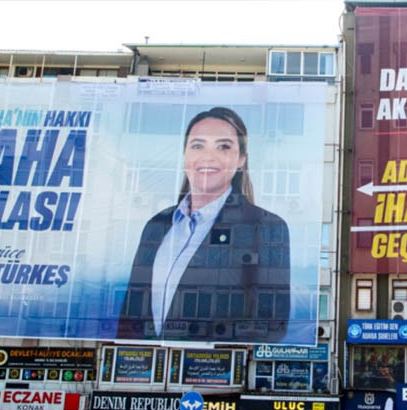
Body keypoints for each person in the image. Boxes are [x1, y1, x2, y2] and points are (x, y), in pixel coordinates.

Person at [117, 107, 291, 343]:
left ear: (241, 160)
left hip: (213, 368)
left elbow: (272, 322)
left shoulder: (267, 227)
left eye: (223, 146)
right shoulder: (156, 226)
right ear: (184, 156)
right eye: (198, 145)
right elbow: (131, 311)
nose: (208, 157)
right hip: (146, 369)